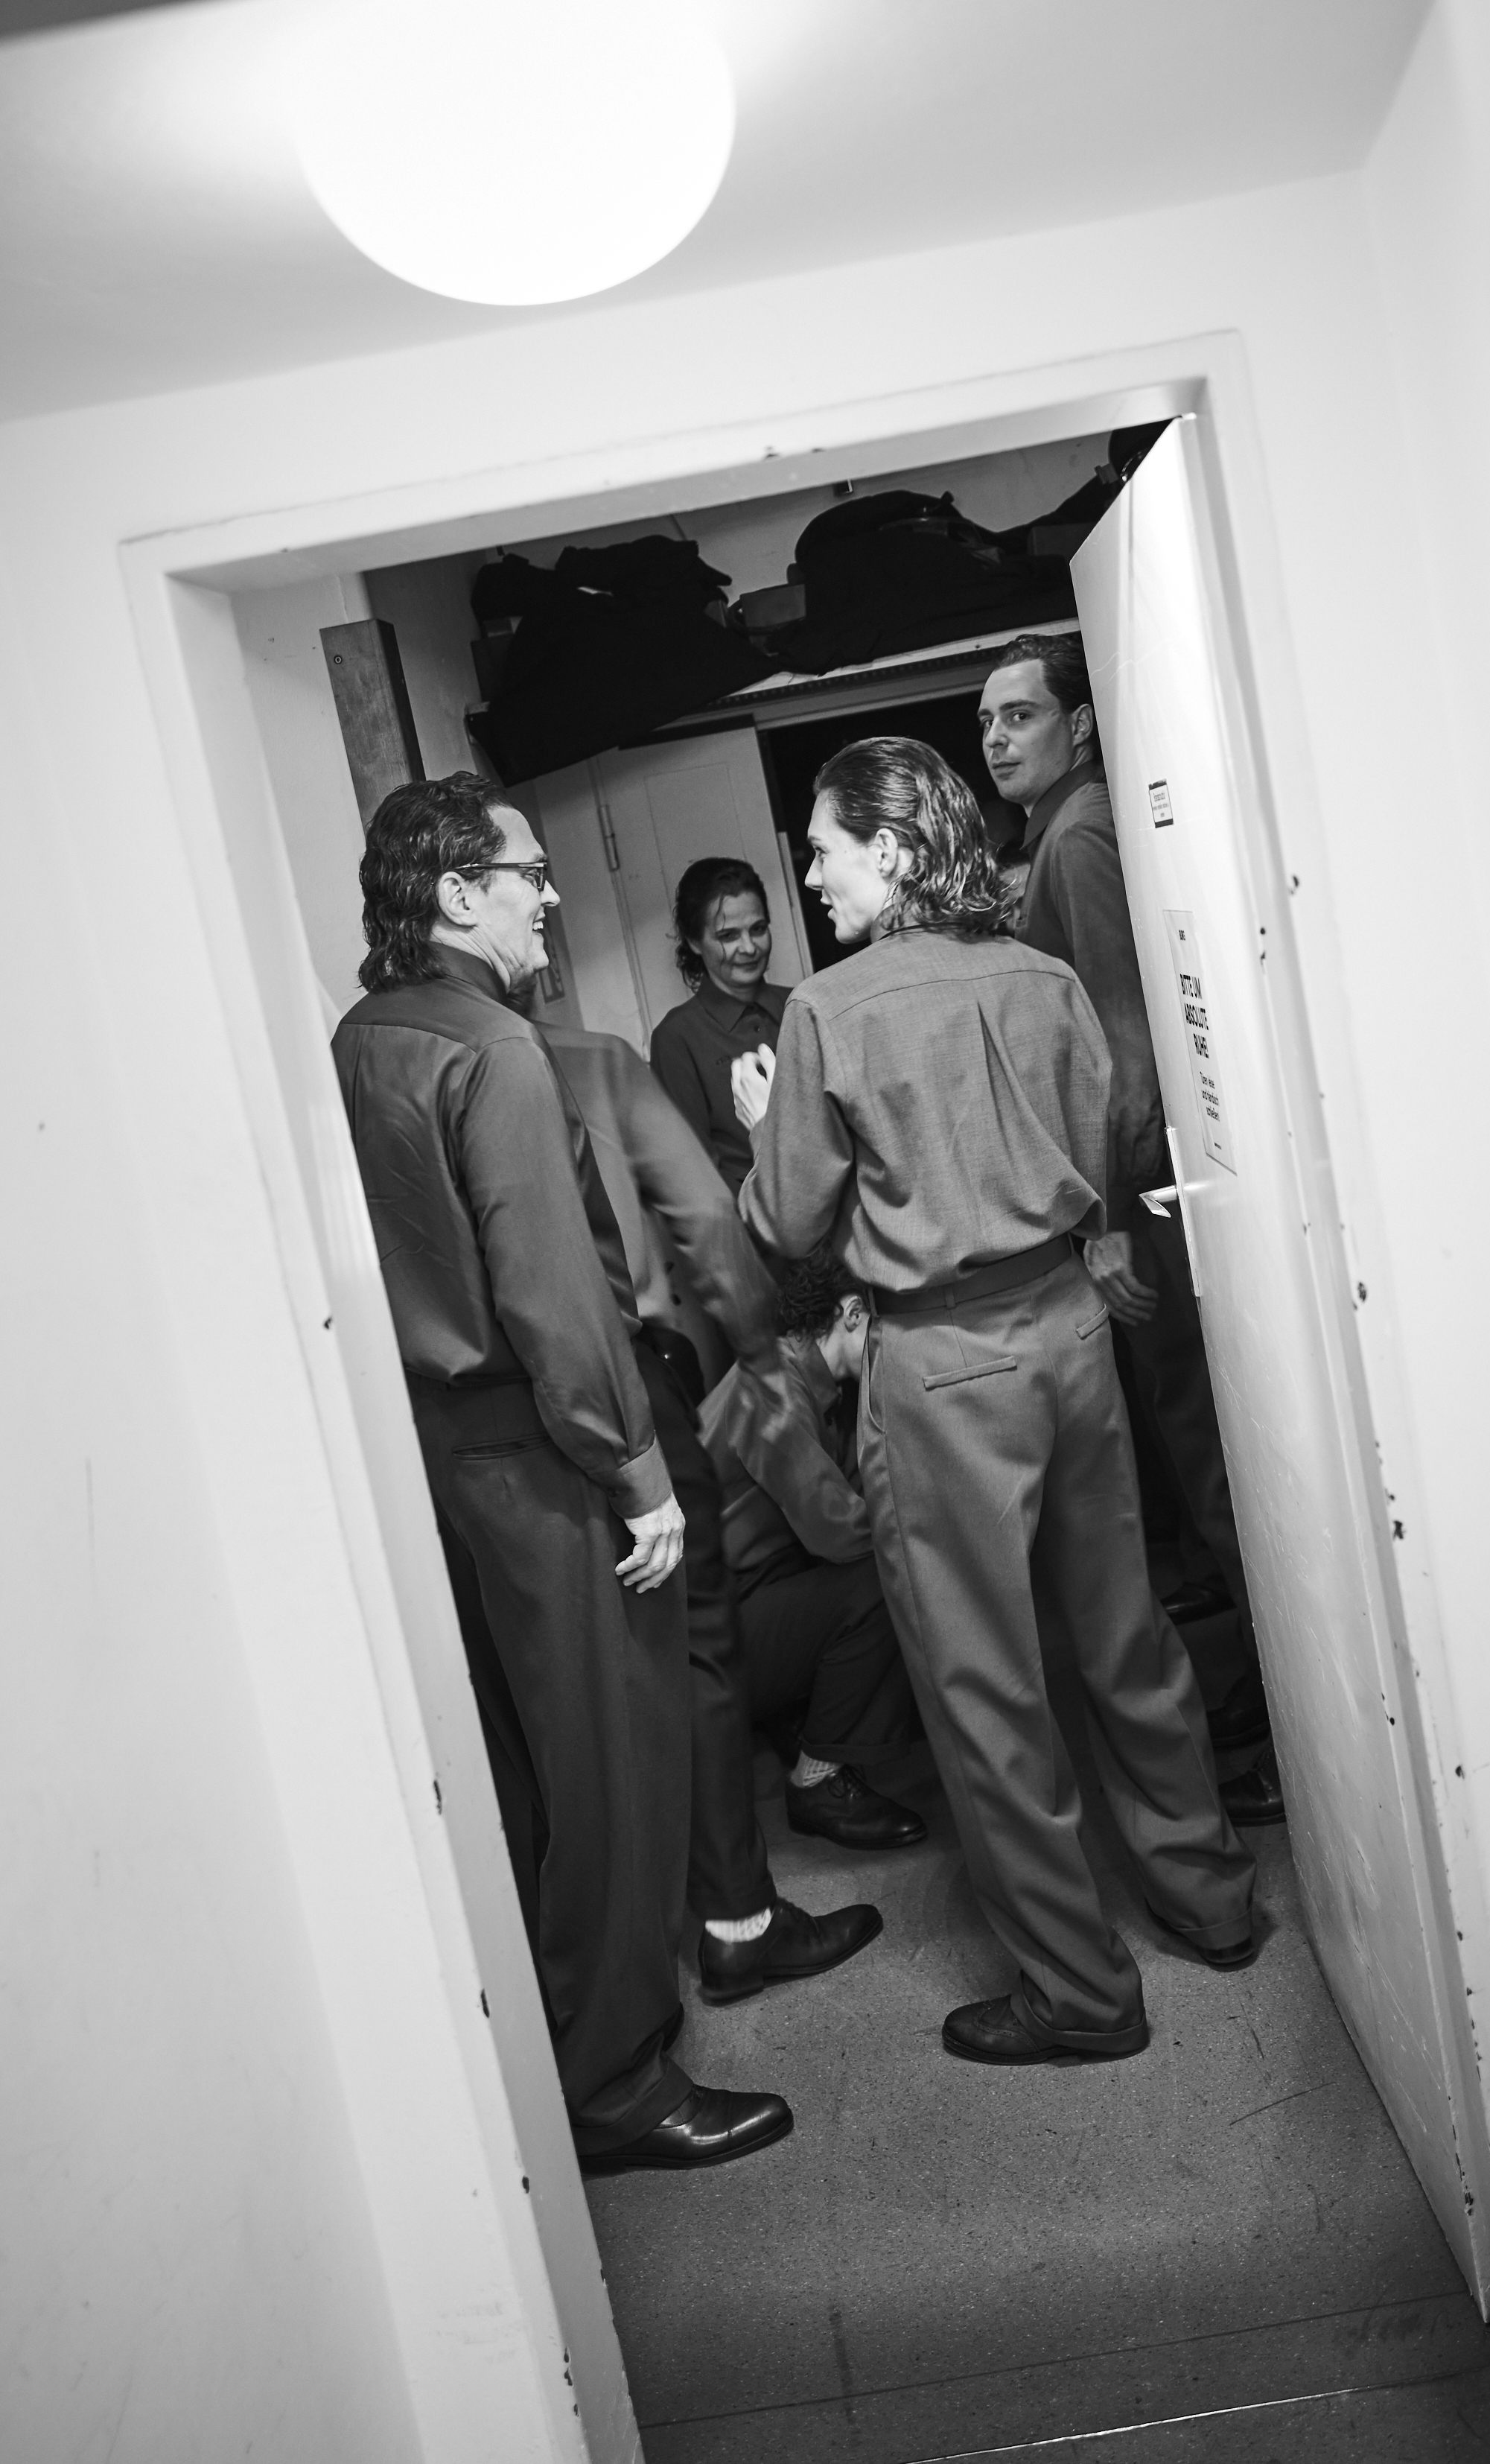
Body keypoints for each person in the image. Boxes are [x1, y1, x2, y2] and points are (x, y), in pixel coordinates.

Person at [733, 736, 1258, 2067]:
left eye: (823, 848)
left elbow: (787, 1223)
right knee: (1124, 1633)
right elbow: (1099, 1140)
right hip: (1070, 1335)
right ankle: (1212, 1900)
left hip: (943, 1363)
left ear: (891, 849)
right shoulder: (1044, 976)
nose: (811, 874)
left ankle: (1080, 1991)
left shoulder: (826, 1012)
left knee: (986, 1688)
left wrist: (759, 1132)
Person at [331, 772, 788, 2174]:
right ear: (458, 892)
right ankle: (618, 2084)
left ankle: (569, 2046)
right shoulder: (497, 1049)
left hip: (445, 1449)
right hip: (543, 1451)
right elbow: (552, 1295)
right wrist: (639, 1469)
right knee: (611, 1771)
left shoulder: (366, 1033)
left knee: (533, 1771)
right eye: (529, 874)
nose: (549, 897)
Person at [979, 635, 1284, 1828]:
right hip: (1137, 1196)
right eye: (986, 719)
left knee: (1208, 1459)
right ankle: (1264, 1692)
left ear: (1076, 724)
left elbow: (1123, 1044)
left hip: (1143, 1203)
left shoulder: (1079, 835)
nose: (996, 736)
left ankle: (1289, 1727)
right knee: (1190, 1455)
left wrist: (1106, 1226)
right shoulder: (1055, 832)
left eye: (1019, 714)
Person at [531, 1009, 887, 2005]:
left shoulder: (379, 1054)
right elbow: (707, 1226)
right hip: (641, 1412)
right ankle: (801, 1808)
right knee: (822, 1603)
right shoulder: (592, 1063)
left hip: (526, 1438)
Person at [699, 1245, 926, 1853]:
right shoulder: (772, 1388)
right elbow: (837, 1530)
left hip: (744, 1593)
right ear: (852, 1313)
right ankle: (817, 1782)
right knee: (885, 1579)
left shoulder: (812, 1381)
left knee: (885, 1562)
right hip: (705, 1634)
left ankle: (813, 1723)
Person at [650, 857, 789, 1190]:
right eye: (728, 936)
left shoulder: (800, 1004)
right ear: (694, 941)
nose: (749, 947)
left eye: (758, 929)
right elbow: (694, 1170)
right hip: (746, 1210)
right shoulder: (677, 1037)